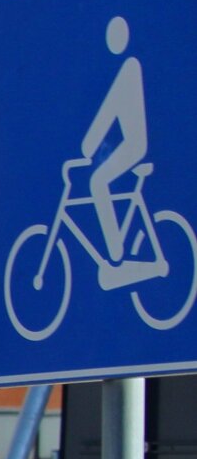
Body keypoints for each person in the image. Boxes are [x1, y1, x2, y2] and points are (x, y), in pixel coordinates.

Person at [82, 15, 149, 276]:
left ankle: (117, 257)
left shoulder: (129, 67)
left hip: (134, 145)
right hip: (129, 143)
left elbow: (109, 111)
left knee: (97, 182)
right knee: (99, 182)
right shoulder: (123, 67)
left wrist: (88, 147)